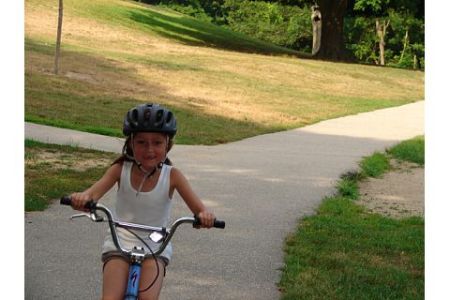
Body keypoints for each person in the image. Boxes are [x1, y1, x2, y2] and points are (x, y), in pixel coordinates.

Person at [70, 103, 216, 300]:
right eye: (141, 142)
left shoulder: (173, 176)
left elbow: (199, 211)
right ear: (130, 143)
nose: (149, 149)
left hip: (155, 247)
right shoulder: (120, 169)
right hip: (119, 242)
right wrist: (82, 199)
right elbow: (92, 194)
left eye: (157, 143)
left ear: (168, 145)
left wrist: (204, 217)